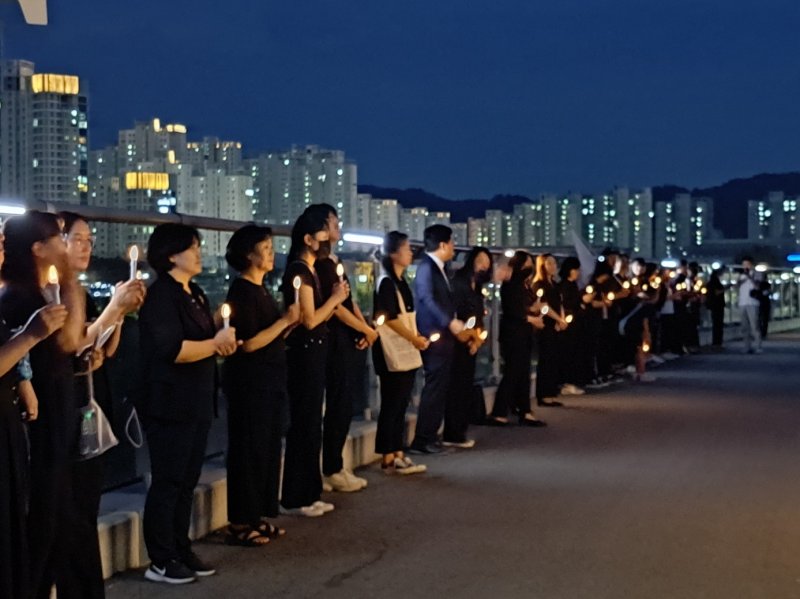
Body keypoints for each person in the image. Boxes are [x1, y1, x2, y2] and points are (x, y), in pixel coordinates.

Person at [138, 223, 238, 584]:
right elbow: (173, 350)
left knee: (186, 480)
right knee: (168, 481)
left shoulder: (194, 292)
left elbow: (203, 343)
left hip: (196, 400)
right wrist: (215, 344)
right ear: (171, 255)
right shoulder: (161, 296)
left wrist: (220, 340)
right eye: (192, 247)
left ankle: (180, 547)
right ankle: (161, 559)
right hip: (169, 402)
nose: (199, 253)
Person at [58, 212, 146, 599]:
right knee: (71, 515)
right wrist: (113, 309)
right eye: (76, 238)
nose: (86, 247)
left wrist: (119, 314)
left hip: (89, 403)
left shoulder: (78, 291)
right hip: (62, 412)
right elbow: (72, 348)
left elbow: (101, 350)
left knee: (85, 509)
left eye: (89, 240)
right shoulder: (54, 294)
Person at [0, 211, 85, 599]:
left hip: (50, 422)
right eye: (60, 239)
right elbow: (61, 343)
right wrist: (32, 338)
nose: (67, 247)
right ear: (38, 248)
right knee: (41, 524)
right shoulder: (17, 298)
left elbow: (69, 342)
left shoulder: (37, 293)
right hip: (38, 427)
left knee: (56, 524)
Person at [222, 225, 299, 546]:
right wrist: (285, 321)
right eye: (265, 249)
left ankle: (257, 515)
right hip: (250, 384)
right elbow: (250, 343)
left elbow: (269, 336)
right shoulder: (242, 292)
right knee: (248, 451)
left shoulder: (262, 289)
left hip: (270, 380)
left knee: (266, 449)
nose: (271, 254)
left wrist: (287, 325)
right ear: (248, 255)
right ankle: (240, 522)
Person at [280, 211, 349, 517]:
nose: (327, 239)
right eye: (322, 233)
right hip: (305, 354)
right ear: (308, 239)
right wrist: (334, 299)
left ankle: (310, 491)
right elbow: (309, 320)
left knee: (310, 425)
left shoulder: (308, 269)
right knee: (305, 425)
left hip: (313, 353)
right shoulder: (300, 270)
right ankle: (299, 496)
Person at [305, 204, 377, 493]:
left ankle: (335, 465)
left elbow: (349, 301)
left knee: (344, 403)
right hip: (334, 340)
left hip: (347, 338)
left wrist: (364, 328)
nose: (338, 226)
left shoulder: (334, 261)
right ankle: (332, 468)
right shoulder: (321, 265)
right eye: (332, 222)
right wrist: (365, 329)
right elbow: (335, 309)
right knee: (338, 404)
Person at [373, 231, 429, 474]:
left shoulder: (400, 281)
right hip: (392, 351)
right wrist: (414, 338)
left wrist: (415, 337)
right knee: (392, 403)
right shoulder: (386, 282)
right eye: (406, 248)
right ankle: (389, 455)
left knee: (400, 402)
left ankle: (396, 452)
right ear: (393, 253)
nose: (410, 252)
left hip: (404, 349)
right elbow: (389, 318)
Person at [408, 225, 468, 454]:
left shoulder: (439, 268)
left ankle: (430, 436)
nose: (454, 246)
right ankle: (423, 439)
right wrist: (449, 322)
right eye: (452, 242)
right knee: (434, 388)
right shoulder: (427, 267)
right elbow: (426, 298)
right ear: (443, 245)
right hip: (434, 335)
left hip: (442, 336)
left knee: (440, 387)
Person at [488, 251, 546, 427]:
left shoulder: (523, 285)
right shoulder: (512, 284)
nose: (530, 267)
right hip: (513, 334)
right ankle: (501, 412)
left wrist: (534, 309)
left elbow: (523, 308)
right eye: (528, 264)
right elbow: (514, 312)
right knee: (513, 372)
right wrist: (532, 319)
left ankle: (523, 409)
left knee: (522, 373)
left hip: (522, 333)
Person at [445, 246, 492, 447]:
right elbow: (454, 313)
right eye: (480, 260)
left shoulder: (477, 287)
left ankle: (460, 430)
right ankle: (453, 432)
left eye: (487, 262)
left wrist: (477, 340)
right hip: (456, 339)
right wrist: (468, 336)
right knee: (456, 387)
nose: (483, 265)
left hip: (471, 341)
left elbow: (478, 316)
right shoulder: (459, 283)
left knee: (465, 386)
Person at [531, 254, 568, 407]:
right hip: (545, 325)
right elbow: (543, 306)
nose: (553, 266)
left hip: (555, 324)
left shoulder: (554, 284)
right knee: (546, 359)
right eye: (549, 263)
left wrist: (562, 319)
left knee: (554, 358)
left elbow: (560, 303)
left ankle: (551, 393)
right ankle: (544, 394)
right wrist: (558, 319)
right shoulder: (539, 284)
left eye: (554, 263)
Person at [556, 257, 588, 395]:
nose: (579, 272)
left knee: (574, 353)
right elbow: (568, 304)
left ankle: (571, 381)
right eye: (576, 269)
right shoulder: (564, 286)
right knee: (568, 353)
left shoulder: (573, 285)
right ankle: (567, 383)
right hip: (569, 324)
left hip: (576, 324)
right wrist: (581, 304)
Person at [737, 256, 762, 354]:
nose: (745, 266)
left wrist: (750, 277)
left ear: (751, 265)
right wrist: (741, 280)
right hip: (742, 302)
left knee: (754, 325)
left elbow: (757, 286)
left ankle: (758, 346)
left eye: (747, 264)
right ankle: (747, 346)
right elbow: (737, 285)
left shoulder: (757, 274)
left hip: (753, 303)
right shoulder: (741, 275)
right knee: (744, 326)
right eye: (744, 265)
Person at [706, 268, 726, 348]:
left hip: (714, 305)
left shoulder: (710, 283)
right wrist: (725, 289)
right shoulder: (715, 283)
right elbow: (717, 292)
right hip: (717, 305)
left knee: (716, 324)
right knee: (718, 324)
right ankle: (717, 342)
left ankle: (716, 342)